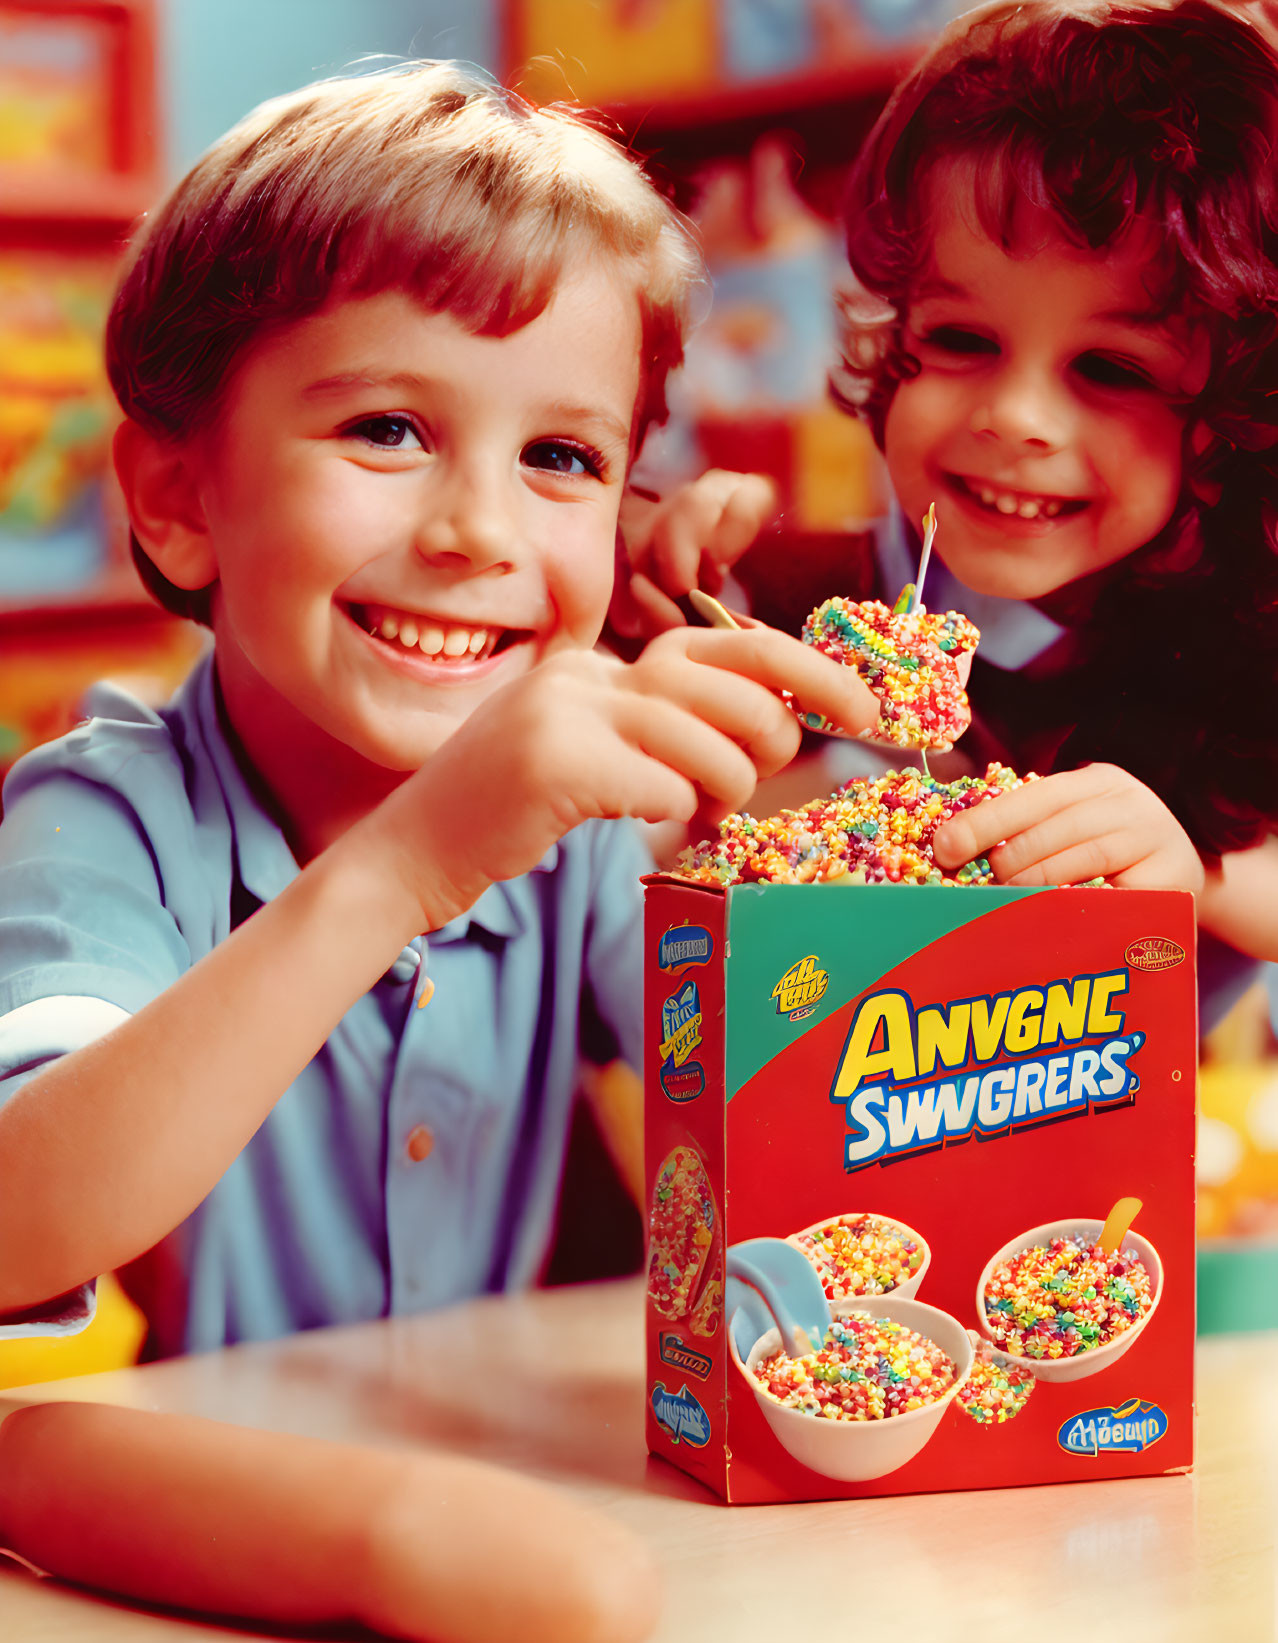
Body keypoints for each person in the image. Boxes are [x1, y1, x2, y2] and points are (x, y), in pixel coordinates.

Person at [0, 62, 879, 1354]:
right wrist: (415, 859)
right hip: (217, 1491)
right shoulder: (105, 811)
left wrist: (796, 821)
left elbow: (813, 1107)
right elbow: (21, 1218)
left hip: (495, 1458)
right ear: (180, 498)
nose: (478, 530)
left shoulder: (571, 829)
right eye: (387, 427)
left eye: (561, 458)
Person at [641, 0, 1278, 1023]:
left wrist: (1195, 869)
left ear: (1231, 421)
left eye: (1109, 367)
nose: (1015, 417)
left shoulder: (1237, 657)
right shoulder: (789, 598)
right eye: (963, 340)